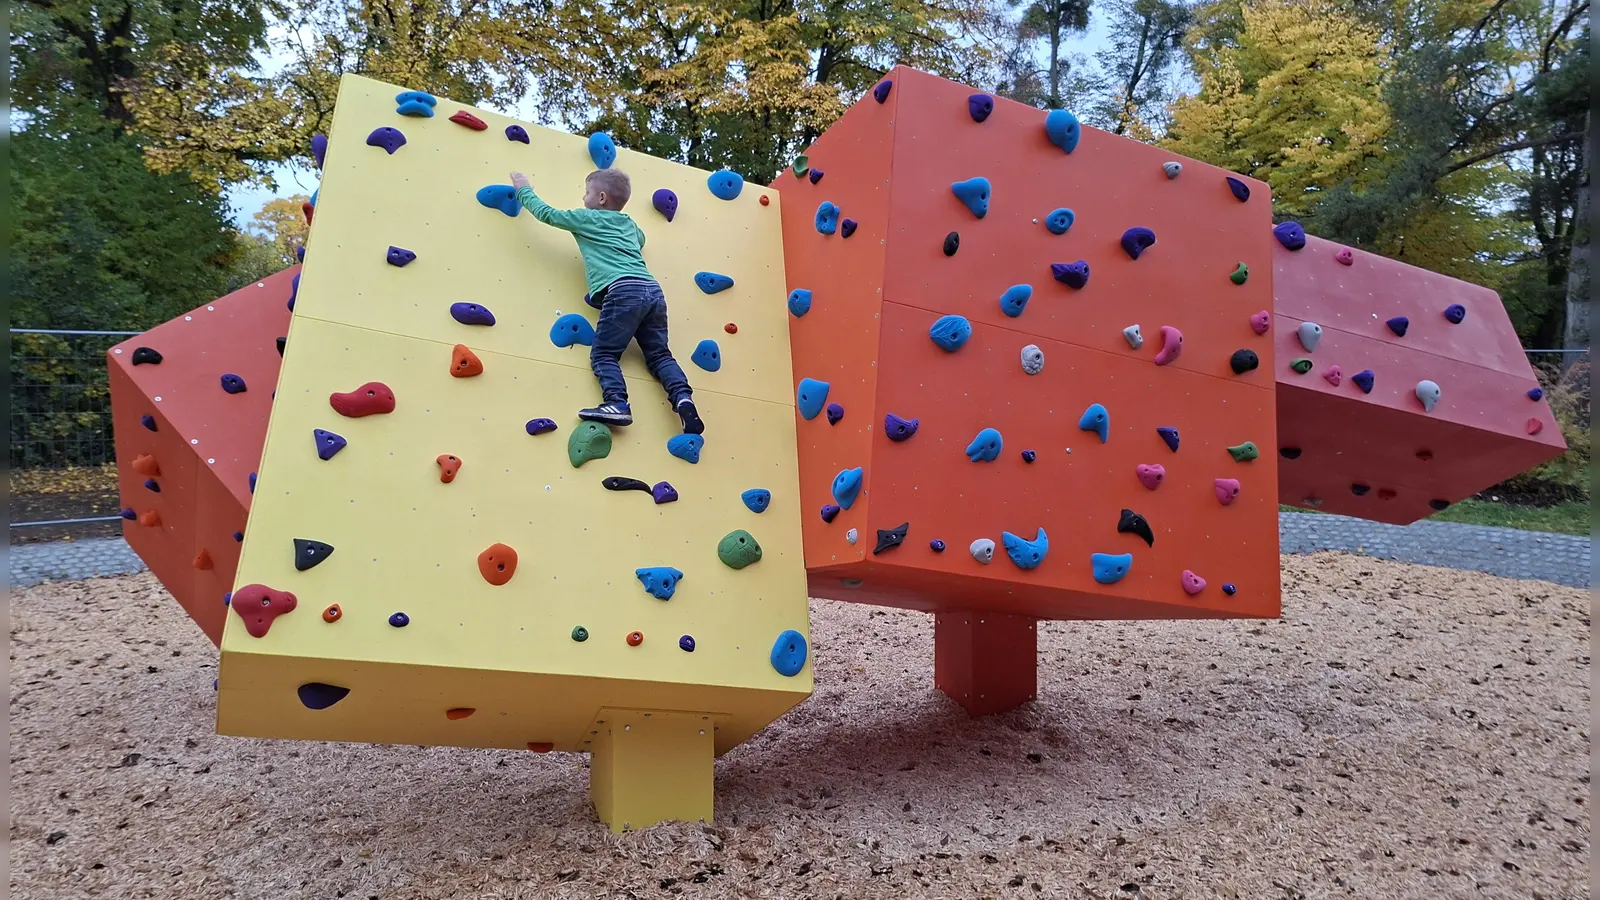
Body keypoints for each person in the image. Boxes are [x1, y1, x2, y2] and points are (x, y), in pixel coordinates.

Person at [510, 168, 704, 434]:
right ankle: (683, 398)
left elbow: (548, 214)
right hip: (652, 291)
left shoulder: (585, 218)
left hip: (623, 290)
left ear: (601, 198)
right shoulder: (629, 225)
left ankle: (617, 403)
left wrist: (523, 188)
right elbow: (641, 239)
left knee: (604, 354)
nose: (583, 197)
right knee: (659, 354)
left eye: (587, 192)